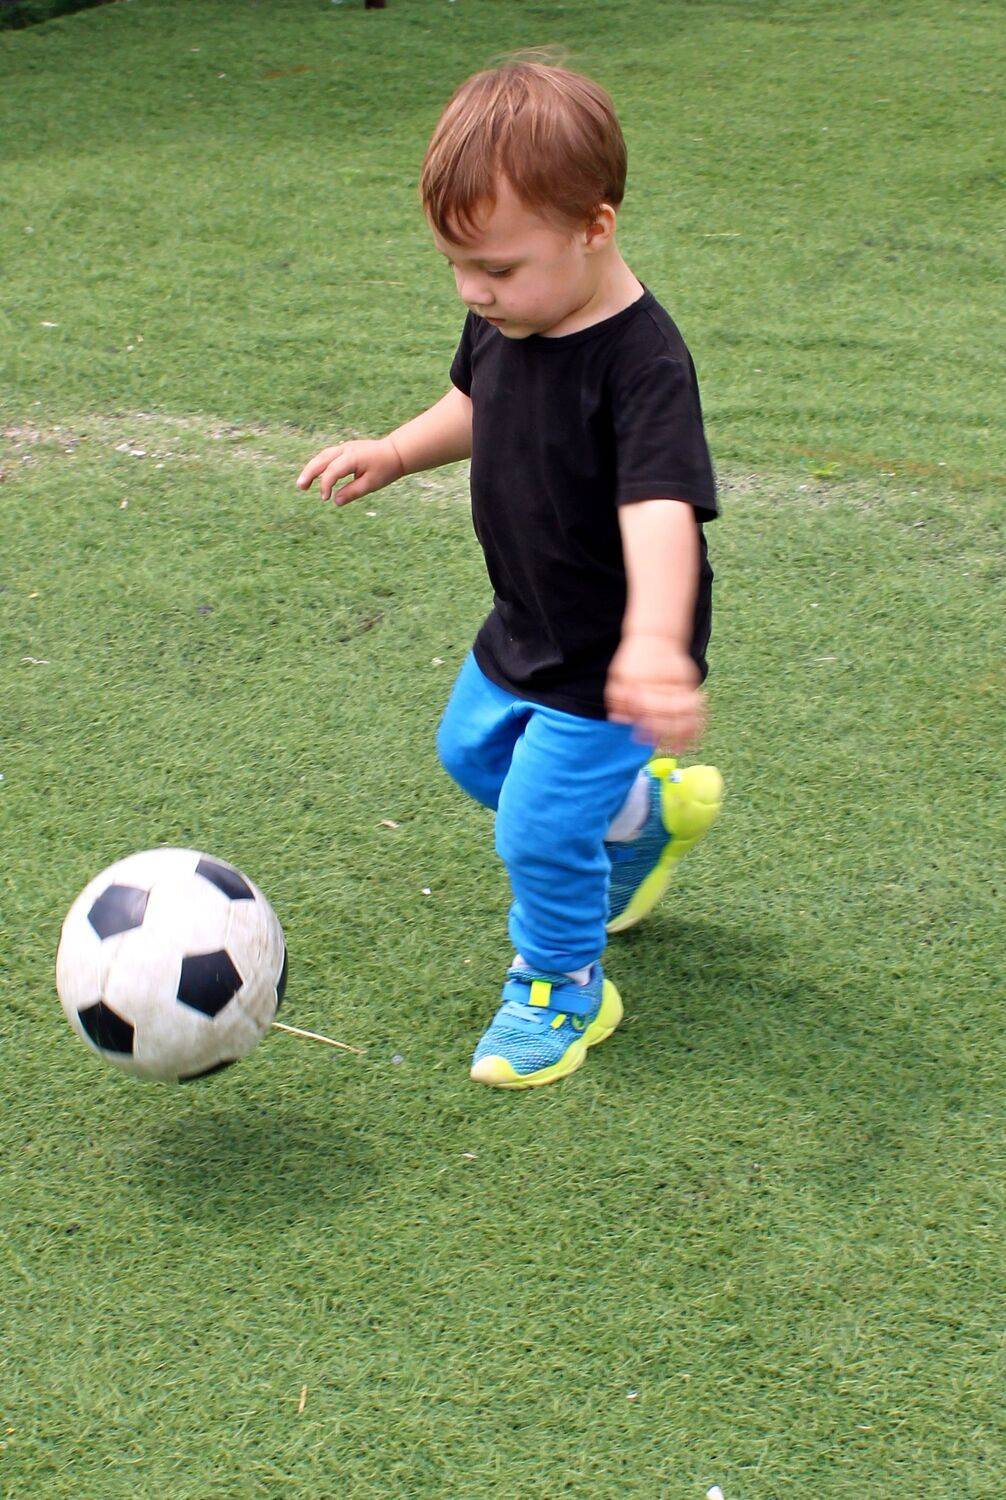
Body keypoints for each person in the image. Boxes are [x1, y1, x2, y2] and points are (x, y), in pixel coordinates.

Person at [297, 55, 723, 1089]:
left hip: (609, 658)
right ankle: (638, 818)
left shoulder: (642, 363)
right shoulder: (508, 314)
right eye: (455, 265)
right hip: (524, 623)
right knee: (470, 756)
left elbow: (661, 510)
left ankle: (561, 985)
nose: (471, 291)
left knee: (536, 825)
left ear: (594, 227)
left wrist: (654, 644)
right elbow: (476, 403)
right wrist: (398, 451)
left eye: (494, 268)